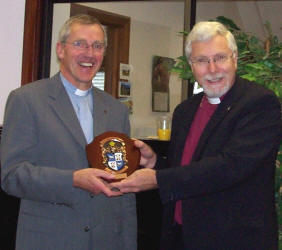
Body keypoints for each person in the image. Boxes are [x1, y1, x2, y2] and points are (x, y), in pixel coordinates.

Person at [112, 21, 282, 249]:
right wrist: (155, 162)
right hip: (182, 237)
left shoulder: (258, 102)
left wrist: (157, 180)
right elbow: (184, 168)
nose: (212, 69)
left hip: (234, 240)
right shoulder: (185, 110)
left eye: (220, 58)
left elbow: (231, 166)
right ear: (192, 66)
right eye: (202, 60)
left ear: (235, 58)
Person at [1, 14, 136, 250]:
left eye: (97, 46)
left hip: (106, 241)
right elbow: (12, 175)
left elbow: (124, 191)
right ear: (60, 50)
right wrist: (72, 180)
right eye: (79, 44)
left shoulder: (116, 110)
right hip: (49, 240)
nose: (89, 53)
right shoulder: (26, 100)